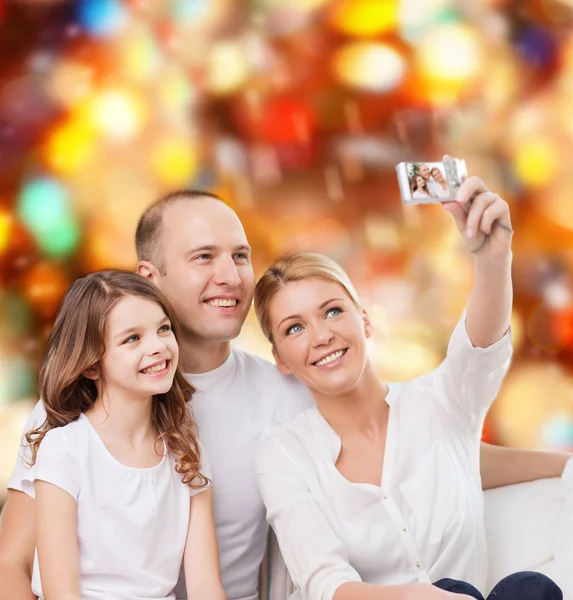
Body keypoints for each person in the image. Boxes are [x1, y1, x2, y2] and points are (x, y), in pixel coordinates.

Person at [1, 189, 571, 600]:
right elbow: (10, 569)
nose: (230, 274)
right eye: (204, 257)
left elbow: (422, 452)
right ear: (150, 277)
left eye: (240, 255)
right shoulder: (73, 411)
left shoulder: (289, 391)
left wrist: (561, 464)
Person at [252, 177, 567, 600]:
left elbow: (480, 347)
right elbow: (325, 583)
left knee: (529, 590)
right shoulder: (284, 453)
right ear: (280, 359)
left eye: (332, 311)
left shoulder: (439, 405)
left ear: (364, 320)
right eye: (295, 328)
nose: (321, 335)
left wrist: (493, 259)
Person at [21, 270, 224, 600]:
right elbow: (63, 594)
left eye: (163, 329)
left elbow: (206, 587)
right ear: (91, 365)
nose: (158, 346)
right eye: (132, 338)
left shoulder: (186, 450)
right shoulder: (65, 450)